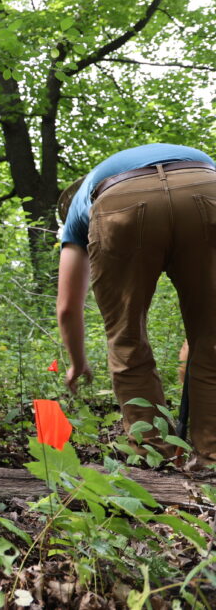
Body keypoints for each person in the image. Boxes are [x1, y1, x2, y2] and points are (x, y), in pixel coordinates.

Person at [56, 143, 216, 467]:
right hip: (206, 185)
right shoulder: (183, 155)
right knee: (212, 339)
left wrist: (77, 363)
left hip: (121, 201)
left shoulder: (80, 207)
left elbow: (67, 307)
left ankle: (155, 457)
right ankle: (212, 458)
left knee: (126, 339)